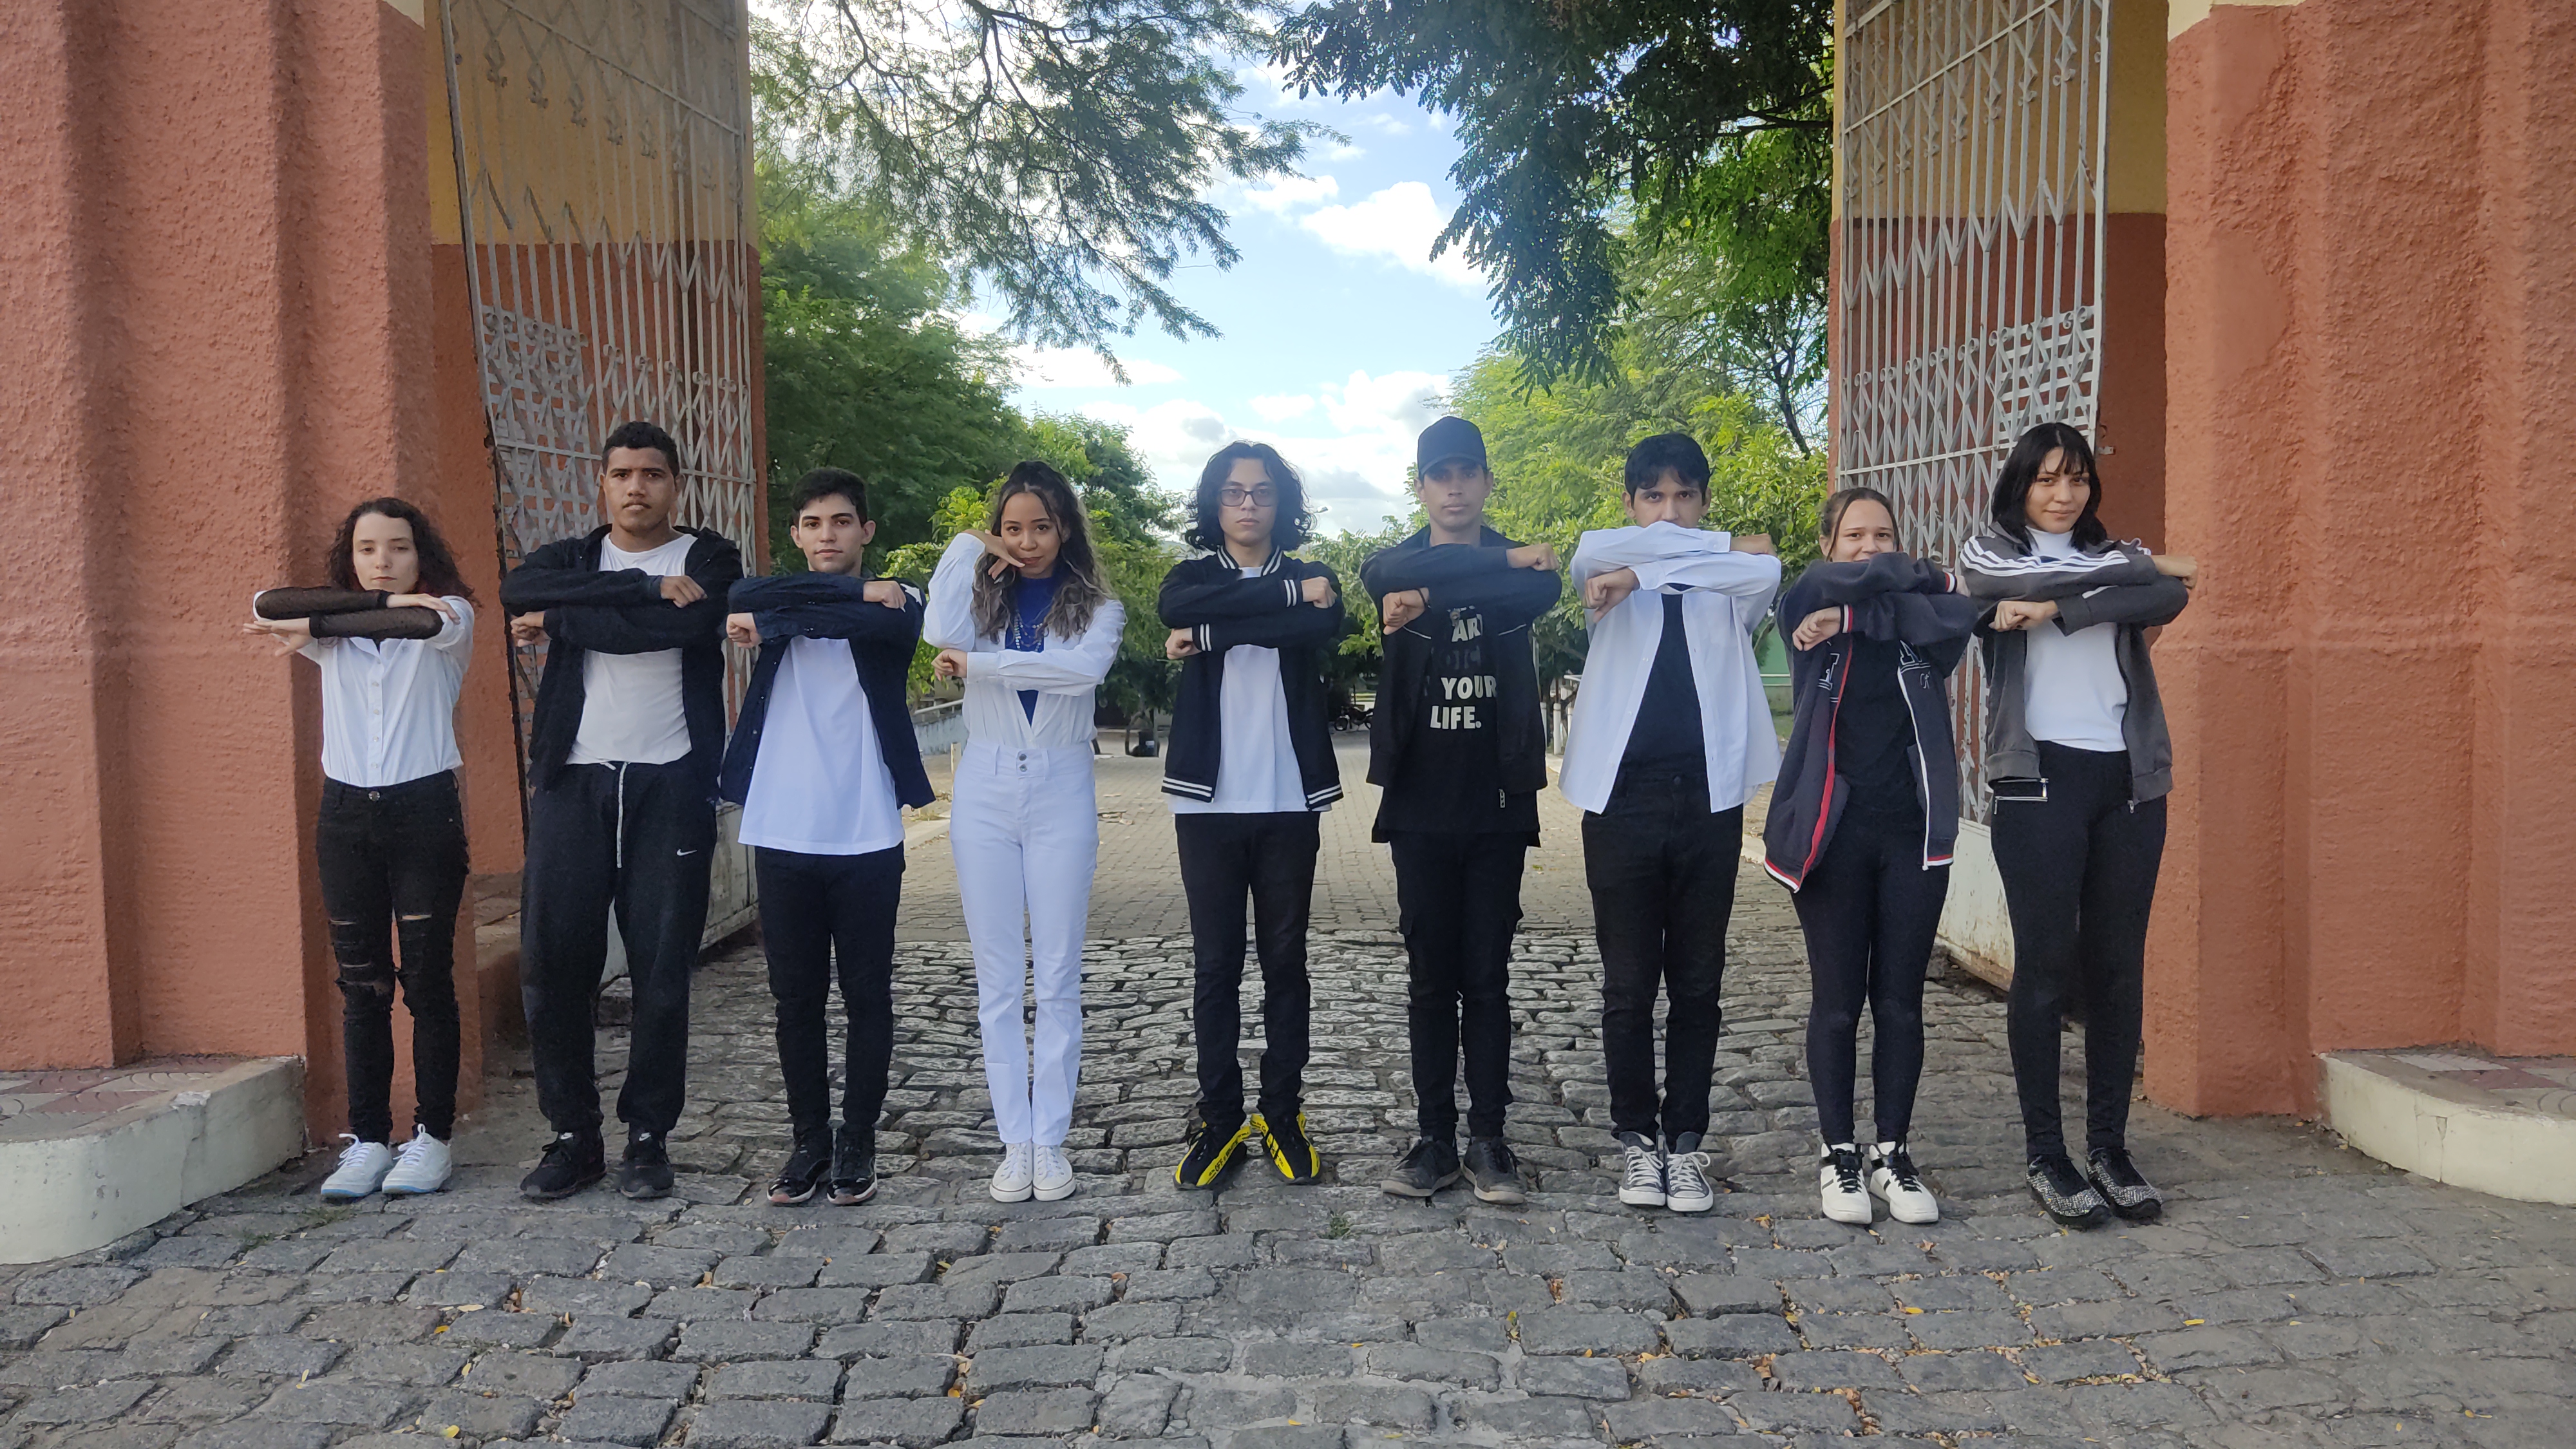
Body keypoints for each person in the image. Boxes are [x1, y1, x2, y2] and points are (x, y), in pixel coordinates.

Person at [1958, 421, 2197, 1227]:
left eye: (2078, 479)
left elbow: (2169, 594)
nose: (2064, 495)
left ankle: (2108, 1146)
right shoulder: (1992, 553)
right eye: (2047, 479)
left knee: (2118, 968)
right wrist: (2130, 572)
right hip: (2038, 779)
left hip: (2128, 779)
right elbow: (1995, 586)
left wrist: (2061, 609)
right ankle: (2046, 1153)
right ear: (2020, 485)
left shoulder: (2106, 555)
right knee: (2044, 967)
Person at [499, 421, 743, 1202]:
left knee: (661, 969)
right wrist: (638, 591)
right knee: (553, 965)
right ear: (602, 484)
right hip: (573, 781)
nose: (637, 487)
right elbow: (516, 591)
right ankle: (573, 1137)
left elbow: (680, 627)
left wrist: (559, 620)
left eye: (653, 474)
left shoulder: (708, 560)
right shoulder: (571, 557)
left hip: (671, 783)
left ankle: (647, 1138)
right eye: (622, 474)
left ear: (677, 485)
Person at [1560, 433, 1782, 1215]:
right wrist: (1650, 566)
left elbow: (1765, 568)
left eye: (1685, 496)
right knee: (1628, 985)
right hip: (1621, 799)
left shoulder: (1726, 584)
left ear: (1704, 501)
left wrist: (1648, 572)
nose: (1668, 510)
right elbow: (1596, 555)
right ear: (1629, 503)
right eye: (1652, 496)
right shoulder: (1601, 563)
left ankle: (1684, 1145)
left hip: (1708, 798)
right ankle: (1635, 1140)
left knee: (1697, 982)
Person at [244, 499, 478, 1202]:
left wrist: (326, 622)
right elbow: (265, 603)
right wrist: (357, 609)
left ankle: (432, 1137)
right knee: (361, 985)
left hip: (423, 813)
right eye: (367, 549)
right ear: (350, 558)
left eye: (399, 547)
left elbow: (419, 623)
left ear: (421, 554)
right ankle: (370, 1139)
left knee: (427, 981)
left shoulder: (450, 616)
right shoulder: (336, 631)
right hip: (345, 816)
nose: (383, 561)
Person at [1765, 488, 1981, 1227]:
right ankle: (1837, 1154)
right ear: (1828, 546)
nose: (1868, 548)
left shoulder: (1907, 614)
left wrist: (1860, 617)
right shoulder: (1807, 603)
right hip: (1831, 833)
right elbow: (1834, 588)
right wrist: (1916, 578)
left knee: (1900, 1001)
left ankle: (1892, 1152)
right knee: (1837, 1003)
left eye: (1883, 535)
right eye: (1853, 535)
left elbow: (1959, 615)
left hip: (1910, 833)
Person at [1362, 416, 1562, 1204]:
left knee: (1485, 977)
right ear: (1420, 487)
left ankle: (1488, 1138)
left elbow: (1536, 586)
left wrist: (1439, 589)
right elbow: (1379, 570)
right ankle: (1433, 1138)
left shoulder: (1529, 576)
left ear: (1485, 482)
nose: (1453, 488)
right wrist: (1499, 561)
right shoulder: (1397, 568)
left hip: (1497, 801)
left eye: (1465, 473)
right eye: (1439, 475)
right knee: (1427, 980)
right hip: (1418, 803)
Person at [719, 469, 931, 1208]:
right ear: (797, 534)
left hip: (865, 828)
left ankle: (858, 1138)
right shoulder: (799, 594)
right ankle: (808, 1137)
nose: (827, 535)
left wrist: (792, 615)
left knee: (867, 994)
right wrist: (836, 598)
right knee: (795, 999)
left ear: (866, 531)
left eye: (841, 521)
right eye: (812, 524)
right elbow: (742, 594)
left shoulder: (902, 598)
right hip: (782, 826)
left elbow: (877, 625)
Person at [925, 462, 1125, 1204]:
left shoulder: (1099, 607)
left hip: (1061, 786)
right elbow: (936, 630)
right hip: (984, 785)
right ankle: (1015, 1141)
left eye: (1041, 527)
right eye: (1011, 529)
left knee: (1060, 971)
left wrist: (980, 666)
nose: (1028, 541)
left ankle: (1051, 1140)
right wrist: (965, 545)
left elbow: (1080, 673)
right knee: (999, 977)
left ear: (1063, 528)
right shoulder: (984, 602)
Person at [1159, 442, 1345, 1189]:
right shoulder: (1191, 578)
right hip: (1207, 802)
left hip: (1288, 798)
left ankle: (1281, 1112)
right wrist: (1285, 602)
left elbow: (1317, 628)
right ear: (1215, 503)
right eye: (1234, 492)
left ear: (1280, 504)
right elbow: (1177, 609)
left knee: (1285, 964)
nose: (1247, 504)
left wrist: (1210, 635)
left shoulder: (1314, 575)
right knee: (1215, 966)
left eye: (1262, 492)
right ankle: (1220, 1119)